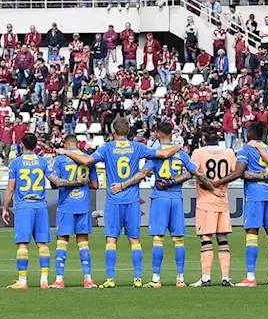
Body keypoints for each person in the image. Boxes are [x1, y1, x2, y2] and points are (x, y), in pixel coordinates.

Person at [57, 116, 182, 288]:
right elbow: (164, 153)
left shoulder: (107, 148)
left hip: (114, 200)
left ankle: (110, 278)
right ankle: (137, 279)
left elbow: (86, 161)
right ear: (128, 131)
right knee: (135, 240)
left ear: (113, 131)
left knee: (111, 240)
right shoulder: (137, 147)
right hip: (132, 199)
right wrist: (180, 146)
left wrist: (66, 152)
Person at [214, 119, 268, 287]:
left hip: (255, 196)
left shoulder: (246, 150)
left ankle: (250, 277)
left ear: (249, 134)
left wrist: (217, 182)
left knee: (252, 235)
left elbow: (238, 173)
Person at [146, 120, 212, 288]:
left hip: (160, 197)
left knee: (158, 239)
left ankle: (156, 278)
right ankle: (180, 278)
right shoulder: (181, 154)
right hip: (176, 198)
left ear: (158, 134)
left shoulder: (156, 153)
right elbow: (194, 173)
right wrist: (213, 188)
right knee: (178, 239)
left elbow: (143, 172)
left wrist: (124, 185)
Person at [2, 132, 52, 289]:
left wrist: (4, 208)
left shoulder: (16, 163)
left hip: (24, 205)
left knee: (23, 244)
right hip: (41, 205)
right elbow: (54, 180)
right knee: (42, 244)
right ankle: (44, 280)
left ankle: (22, 281)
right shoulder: (43, 162)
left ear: (22, 144)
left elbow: (11, 188)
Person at [189, 127, 238, 287]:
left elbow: (195, 172)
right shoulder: (229, 153)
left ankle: (206, 277)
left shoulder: (199, 153)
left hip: (206, 202)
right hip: (223, 201)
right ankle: (225, 277)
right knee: (223, 240)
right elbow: (235, 173)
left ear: (204, 138)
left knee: (206, 239)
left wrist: (212, 187)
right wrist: (219, 185)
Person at [49, 133, 97, 288]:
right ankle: (88, 279)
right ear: (77, 143)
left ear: (65, 144)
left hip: (66, 205)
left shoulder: (60, 159)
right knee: (83, 242)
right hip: (82, 205)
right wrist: (82, 184)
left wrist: (71, 183)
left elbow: (55, 184)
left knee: (62, 241)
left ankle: (59, 279)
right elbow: (95, 185)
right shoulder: (88, 159)